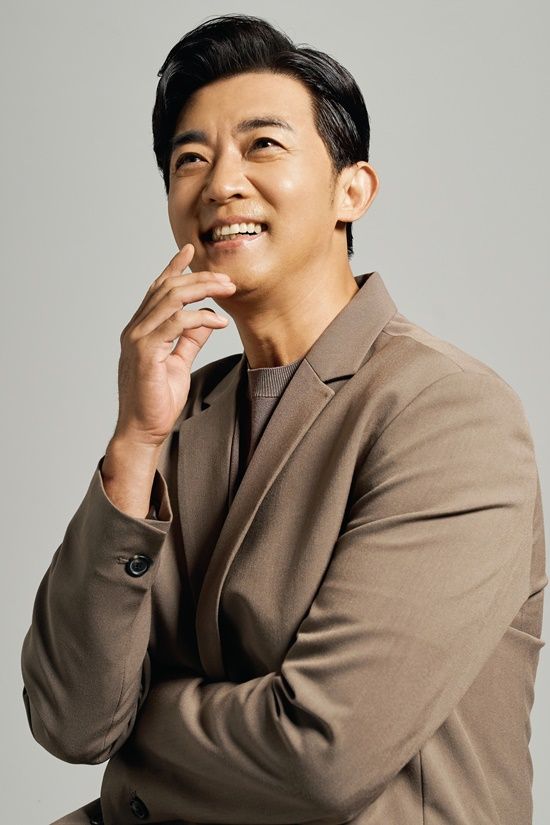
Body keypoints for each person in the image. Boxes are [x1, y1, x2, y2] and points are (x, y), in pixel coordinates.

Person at [21, 13, 546, 825]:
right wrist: (134, 441)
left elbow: (321, 754)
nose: (220, 183)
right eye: (189, 159)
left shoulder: (448, 414)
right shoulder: (180, 412)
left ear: (352, 190)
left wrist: (141, 730)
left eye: (262, 144)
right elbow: (71, 718)